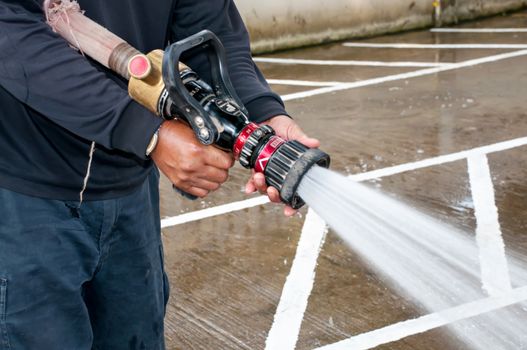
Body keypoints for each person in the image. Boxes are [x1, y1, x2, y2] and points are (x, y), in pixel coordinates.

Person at [0, 0, 318, 349]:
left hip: (129, 189)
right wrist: (147, 132)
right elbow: (10, 30)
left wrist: (260, 114)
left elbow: (209, 27)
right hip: (25, 193)